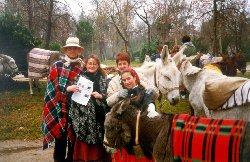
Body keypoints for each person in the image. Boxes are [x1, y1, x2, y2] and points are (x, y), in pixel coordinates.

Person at [106, 52, 159, 162]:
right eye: (119, 64)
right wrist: (118, 95)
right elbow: (109, 101)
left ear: (128, 64)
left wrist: (152, 91)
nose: (122, 66)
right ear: (117, 66)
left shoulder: (139, 76)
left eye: (124, 63)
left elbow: (154, 93)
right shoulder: (114, 81)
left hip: (141, 118)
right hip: (123, 119)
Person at [42, 37, 84, 162]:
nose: (72, 50)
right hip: (60, 108)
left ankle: (71, 159)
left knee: (73, 139)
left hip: (76, 108)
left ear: (78, 50)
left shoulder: (82, 67)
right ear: (66, 50)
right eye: (69, 48)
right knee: (60, 139)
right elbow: (52, 89)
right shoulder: (57, 66)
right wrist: (67, 89)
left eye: (74, 48)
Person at [67, 54, 111, 161]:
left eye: (94, 64)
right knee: (84, 137)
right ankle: (83, 157)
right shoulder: (78, 78)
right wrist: (69, 89)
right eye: (90, 63)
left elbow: (109, 97)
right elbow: (69, 97)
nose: (92, 66)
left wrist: (101, 96)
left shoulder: (104, 79)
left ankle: (99, 157)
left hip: (99, 116)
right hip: (82, 116)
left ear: (98, 65)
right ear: (85, 65)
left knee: (99, 137)